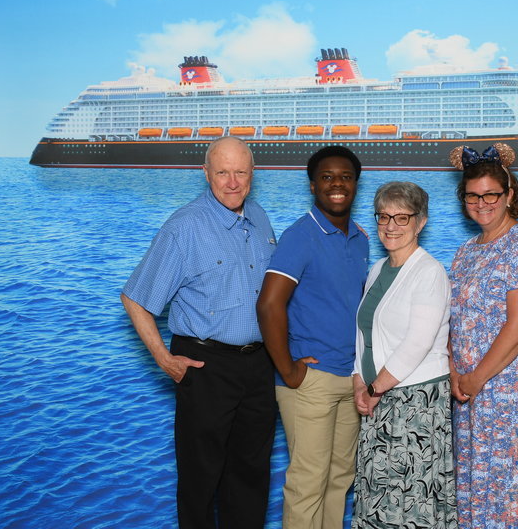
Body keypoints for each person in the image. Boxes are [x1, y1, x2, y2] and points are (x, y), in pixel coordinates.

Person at [120, 137, 277, 529]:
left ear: (252, 174)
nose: (232, 182)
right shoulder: (184, 227)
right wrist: (163, 359)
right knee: (200, 478)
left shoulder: (259, 218)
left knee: (252, 476)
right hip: (206, 365)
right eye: (222, 172)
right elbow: (136, 298)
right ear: (205, 173)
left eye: (240, 172)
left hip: (259, 366)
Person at [256, 146, 369, 529]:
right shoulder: (300, 236)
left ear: (355, 184)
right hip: (311, 382)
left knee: (340, 479)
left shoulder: (361, 239)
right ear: (312, 185)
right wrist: (288, 371)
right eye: (326, 177)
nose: (337, 184)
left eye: (345, 177)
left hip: (351, 379)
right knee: (308, 482)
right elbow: (269, 304)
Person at [448, 144, 518, 529]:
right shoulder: (466, 252)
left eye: (491, 194)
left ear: (509, 195)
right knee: (476, 486)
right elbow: (454, 319)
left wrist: (475, 377)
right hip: (469, 391)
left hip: (509, 391)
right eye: (473, 196)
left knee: (511, 490)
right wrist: (454, 371)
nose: (482, 203)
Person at [351, 182, 456, 528]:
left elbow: (417, 343)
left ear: (420, 222)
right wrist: (358, 383)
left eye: (402, 217)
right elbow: (364, 334)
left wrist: (375, 389)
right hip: (377, 398)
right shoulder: (378, 269)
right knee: (378, 496)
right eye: (384, 216)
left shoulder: (429, 272)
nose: (391, 226)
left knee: (410, 500)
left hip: (415, 405)